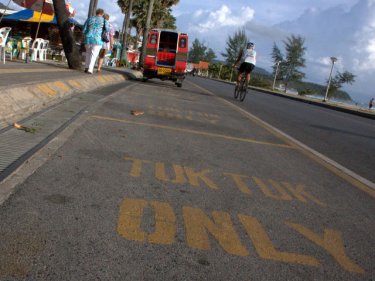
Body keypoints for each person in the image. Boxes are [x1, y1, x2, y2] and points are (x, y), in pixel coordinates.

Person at [82, 8, 109, 74]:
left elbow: (84, 29)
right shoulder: (104, 20)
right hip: (98, 40)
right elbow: (107, 30)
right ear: (102, 14)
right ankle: (90, 70)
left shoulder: (90, 18)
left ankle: (86, 67)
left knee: (88, 53)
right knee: (94, 55)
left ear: (96, 13)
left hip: (88, 38)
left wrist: (86, 34)